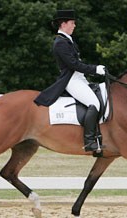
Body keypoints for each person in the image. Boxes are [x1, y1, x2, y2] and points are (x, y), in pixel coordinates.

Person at [34, 9, 106, 152]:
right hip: (71, 80)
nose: (74, 26)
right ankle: (90, 141)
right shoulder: (60, 42)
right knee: (94, 103)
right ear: (63, 24)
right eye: (72, 23)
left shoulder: (68, 40)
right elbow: (73, 64)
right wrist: (95, 69)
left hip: (79, 79)